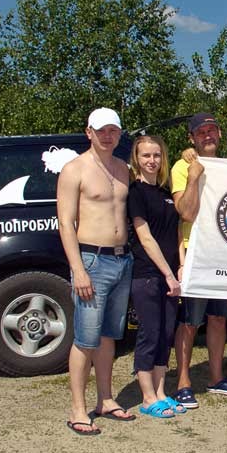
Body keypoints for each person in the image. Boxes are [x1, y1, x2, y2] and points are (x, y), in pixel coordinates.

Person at [58, 107, 135, 435]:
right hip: (92, 260)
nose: (107, 136)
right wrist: (78, 269)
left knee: (108, 336)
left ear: (119, 134)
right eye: (101, 130)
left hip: (122, 260)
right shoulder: (75, 169)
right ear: (88, 132)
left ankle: (106, 399)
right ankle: (78, 408)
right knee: (85, 339)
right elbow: (65, 222)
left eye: (113, 131)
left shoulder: (123, 169)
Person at [172, 113, 227, 409]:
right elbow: (185, 213)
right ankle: (183, 382)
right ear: (191, 137)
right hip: (195, 253)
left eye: (212, 130)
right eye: (200, 132)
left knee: (218, 318)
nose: (207, 136)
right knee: (191, 321)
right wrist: (193, 175)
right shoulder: (181, 166)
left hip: (224, 253)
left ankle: (216, 377)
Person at [127, 135, 185, 419]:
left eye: (157, 155)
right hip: (148, 275)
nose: (152, 161)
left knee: (166, 335)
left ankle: (161, 391)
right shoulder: (135, 192)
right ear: (136, 159)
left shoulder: (165, 191)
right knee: (149, 335)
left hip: (171, 277)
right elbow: (145, 238)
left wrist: (181, 268)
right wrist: (167, 274)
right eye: (146, 156)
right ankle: (147, 397)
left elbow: (175, 235)